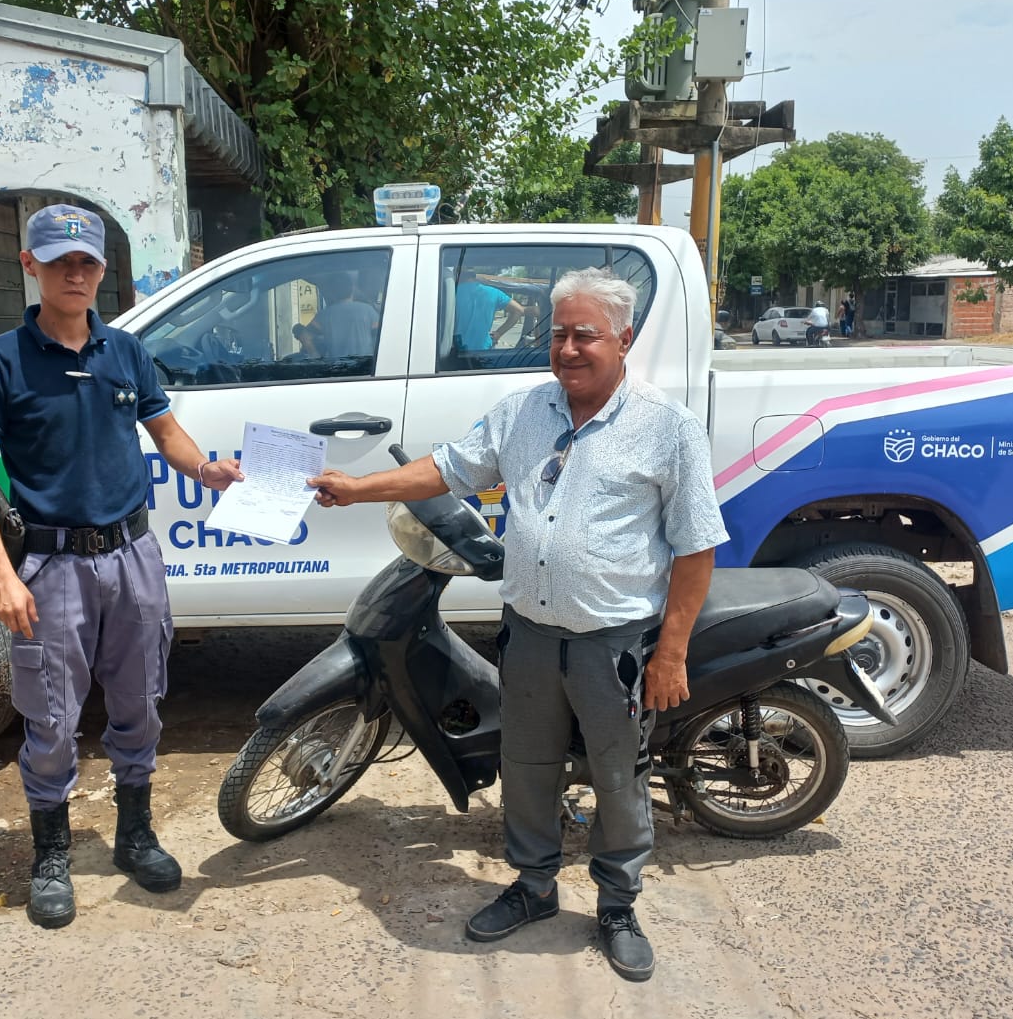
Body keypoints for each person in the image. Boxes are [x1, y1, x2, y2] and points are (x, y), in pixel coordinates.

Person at [309, 267, 727, 982]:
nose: (568, 348)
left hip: (614, 646)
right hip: (529, 636)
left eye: (585, 335)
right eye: (558, 333)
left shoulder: (668, 429)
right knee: (525, 770)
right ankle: (533, 887)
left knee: (618, 778)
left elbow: (695, 549)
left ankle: (617, 906)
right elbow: (444, 470)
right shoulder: (524, 412)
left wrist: (671, 654)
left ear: (624, 340)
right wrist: (355, 491)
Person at [0, 203, 243, 929]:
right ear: (31, 267)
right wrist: (0, 575)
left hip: (134, 556)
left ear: (103, 272)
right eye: (58, 263)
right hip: (51, 565)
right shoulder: (0, 362)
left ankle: (133, 833)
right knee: (49, 714)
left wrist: (205, 468)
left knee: (141, 701)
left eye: (86, 263)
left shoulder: (126, 352)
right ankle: (49, 852)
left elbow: (167, 431)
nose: (74, 274)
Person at [306, 272, 379, 359]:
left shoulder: (324, 316)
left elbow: (305, 335)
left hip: (336, 368)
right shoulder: (368, 310)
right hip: (366, 367)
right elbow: (380, 338)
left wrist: (315, 355)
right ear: (352, 289)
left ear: (331, 292)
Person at [454, 266, 525, 350]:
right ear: (474, 276)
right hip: (484, 352)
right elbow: (519, 310)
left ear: (457, 276)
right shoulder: (493, 292)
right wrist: (499, 333)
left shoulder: (451, 293)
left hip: (457, 350)